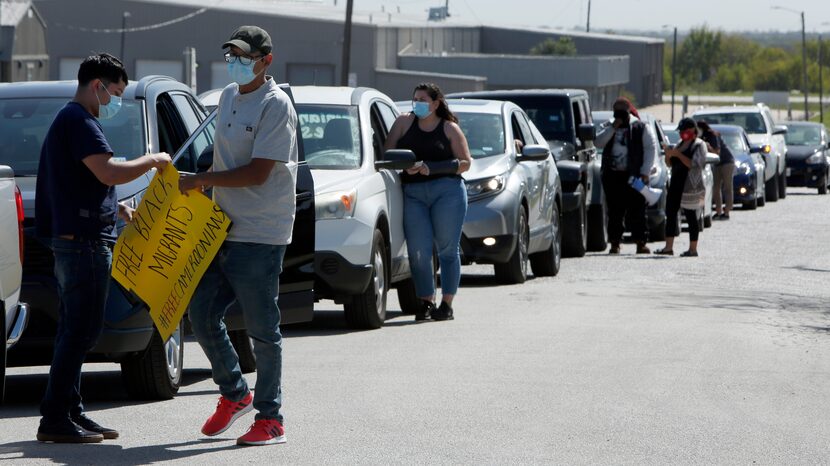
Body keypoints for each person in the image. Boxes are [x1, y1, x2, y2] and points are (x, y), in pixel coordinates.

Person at [35, 53, 171, 443]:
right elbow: (108, 171)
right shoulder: (79, 121)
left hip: (80, 241)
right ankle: (55, 418)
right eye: (115, 93)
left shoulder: (72, 120)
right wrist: (153, 160)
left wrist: (118, 207)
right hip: (83, 247)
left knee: (74, 331)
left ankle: (72, 411)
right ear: (97, 86)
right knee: (81, 332)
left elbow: (85, 182)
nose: (116, 102)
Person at [178, 26, 297, 446]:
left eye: (244, 56)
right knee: (201, 314)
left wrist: (203, 180)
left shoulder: (275, 103)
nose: (235, 62)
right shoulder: (229, 96)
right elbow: (221, 160)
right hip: (221, 228)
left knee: (263, 329)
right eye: (231, 54)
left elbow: (259, 171)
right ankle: (235, 394)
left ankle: (271, 419)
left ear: (266, 60)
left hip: (261, 232)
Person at [384, 83, 472, 322]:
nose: (417, 104)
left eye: (423, 99)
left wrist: (431, 168)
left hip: (448, 192)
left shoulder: (449, 128)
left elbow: (465, 162)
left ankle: (447, 303)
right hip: (413, 193)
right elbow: (388, 153)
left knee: (447, 249)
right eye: (415, 99)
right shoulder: (403, 122)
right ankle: (425, 301)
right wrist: (406, 167)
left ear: (435, 103)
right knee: (418, 251)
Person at [595, 97, 656, 254]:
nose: (619, 115)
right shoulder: (608, 125)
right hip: (613, 176)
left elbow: (650, 148)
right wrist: (613, 127)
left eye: (622, 111)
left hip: (635, 175)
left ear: (629, 111)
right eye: (617, 111)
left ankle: (640, 242)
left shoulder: (640, 127)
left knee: (638, 210)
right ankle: (615, 243)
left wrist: (645, 171)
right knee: (615, 211)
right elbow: (598, 143)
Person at [656, 118, 707, 257]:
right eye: (681, 131)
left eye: (685, 131)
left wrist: (678, 154)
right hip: (676, 184)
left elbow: (696, 164)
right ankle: (668, 247)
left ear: (693, 130)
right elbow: (670, 164)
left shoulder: (699, 145)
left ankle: (693, 249)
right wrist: (668, 154)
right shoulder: (680, 144)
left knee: (691, 217)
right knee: (671, 214)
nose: (683, 134)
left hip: (691, 186)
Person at [698, 121, 734, 220]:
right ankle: (718, 211)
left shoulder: (712, 135)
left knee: (727, 187)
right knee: (716, 188)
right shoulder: (700, 137)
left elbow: (717, 152)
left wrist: (708, 147)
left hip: (727, 162)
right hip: (716, 164)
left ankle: (727, 211)